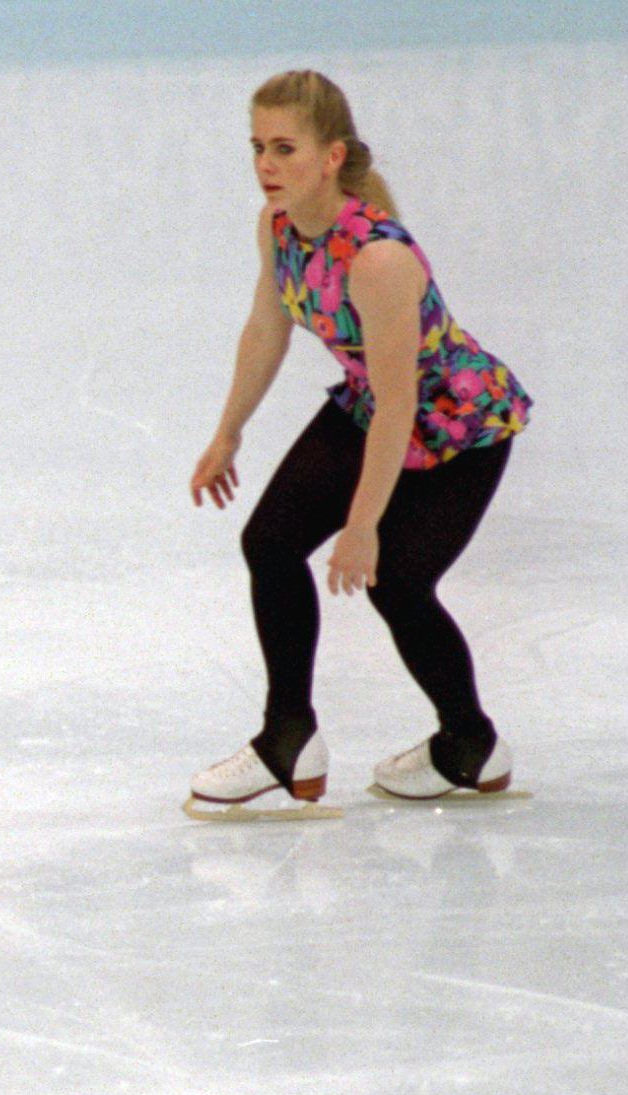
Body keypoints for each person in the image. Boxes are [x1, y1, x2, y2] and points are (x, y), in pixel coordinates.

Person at [187, 70, 531, 812]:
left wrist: (363, 525)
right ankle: (287, 738)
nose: (265, 164)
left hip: (458, 425)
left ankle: (470, 743)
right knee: (270, 542)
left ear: (332, 156)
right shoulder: (277, 226)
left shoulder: (378, 259)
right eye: (257, 147)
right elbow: (266, 328)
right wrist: (227, 433)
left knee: (397, 583)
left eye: (285, 148)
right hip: (373, 403)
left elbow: (402, 404)